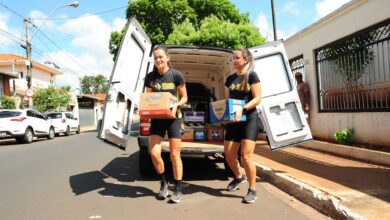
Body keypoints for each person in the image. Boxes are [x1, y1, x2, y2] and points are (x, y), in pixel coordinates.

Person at [144, 46, 188, 203]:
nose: (158, 60)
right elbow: (147, 98)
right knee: (154, 153)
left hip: (174, 118)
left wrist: (176, 105)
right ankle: (163, 181)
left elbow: (184, 97)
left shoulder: (176, 75)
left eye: (161, 57)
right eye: (155, 57)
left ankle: (178, 188)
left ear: (168, 58)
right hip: (157, 120)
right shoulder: (151, 77)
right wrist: (142, 109)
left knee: (174, 155)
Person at [224, 48, 261, 203]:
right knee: (228, 154)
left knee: (246, 156)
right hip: (234, 121)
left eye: (236, 58)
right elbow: (227, 102)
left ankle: (252, 189)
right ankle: (239, 177)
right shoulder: (229, 79)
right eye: (232, 58)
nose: (233, 60)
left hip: (249, 118)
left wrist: (243, 108)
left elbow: (258, 98)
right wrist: (223, 116)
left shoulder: (251, 76)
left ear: (245, 60)